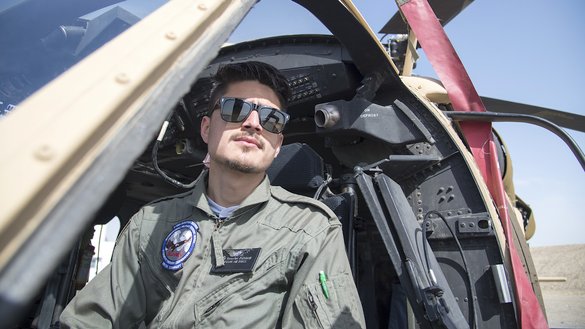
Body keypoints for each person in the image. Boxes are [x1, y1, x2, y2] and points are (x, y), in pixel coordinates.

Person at [59, 61, 366, 328]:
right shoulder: (150, 224)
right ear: (206, 129)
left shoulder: (310, 229)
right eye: (236, 109)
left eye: (271, 119)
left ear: (276, 143)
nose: (254, 124)